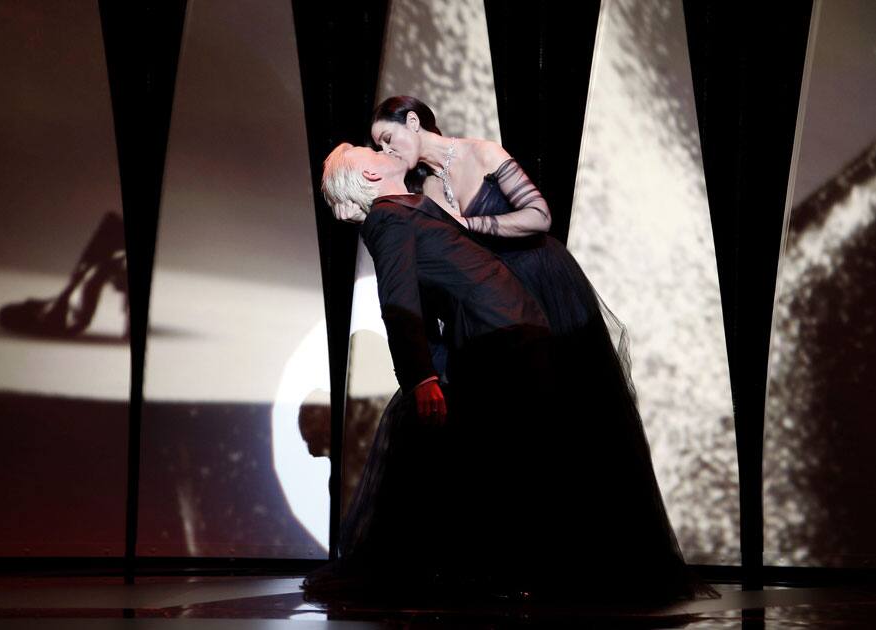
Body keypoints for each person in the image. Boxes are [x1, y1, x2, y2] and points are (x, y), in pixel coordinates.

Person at [304, 141, 714, 605]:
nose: (377, 148)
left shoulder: (413, 207)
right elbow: (399, 303)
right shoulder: (388, 218)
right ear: (371, 177)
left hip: (513, 326)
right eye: (366, 150)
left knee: (526, 449)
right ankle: (518, 575)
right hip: (495, 336)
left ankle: (523, 572)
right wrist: (419, 376)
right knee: (523, 451)